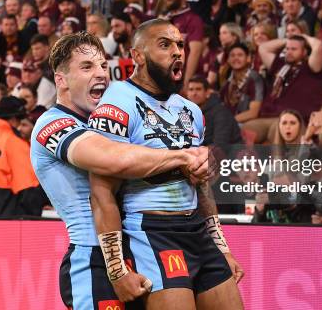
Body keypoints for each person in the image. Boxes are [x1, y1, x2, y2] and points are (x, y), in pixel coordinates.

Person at [30, 31, 210, 309]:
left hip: (136, 249)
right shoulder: (51, 124)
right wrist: (183, 157)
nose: (101, 74)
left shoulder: (113, 117)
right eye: (87, 67)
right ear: (61, 80)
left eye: (103, 65)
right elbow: (111, 159)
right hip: (94, 259)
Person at [87, 20, 244, 309]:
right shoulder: (116, 103)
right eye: (165, 44)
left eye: (180, 45)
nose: (177, 52)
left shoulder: (192, 111)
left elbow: (201, 186)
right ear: (138, 56)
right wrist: (117, 270)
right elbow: (100, 191)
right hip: (153, 232)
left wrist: (222, 248)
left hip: (197, 230)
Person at [250, 34, 322, 143]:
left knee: (278, 129)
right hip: (268, 116)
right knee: (245, 130)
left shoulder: (312, 66)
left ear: (304, 52)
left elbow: (319, 46)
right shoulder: (280, 64)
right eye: (287, 49)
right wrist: (290, 40)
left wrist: (303, 37)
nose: (289, 52)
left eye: (294, 49)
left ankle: (279, 159)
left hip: (294, 119)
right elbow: (263, 48)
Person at [186, 76, 242, 148]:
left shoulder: (221, 113)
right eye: (191, 90)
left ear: (207, 93)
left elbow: (220, 145)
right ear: (187, 93)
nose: (194, 93)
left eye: (198, 89)